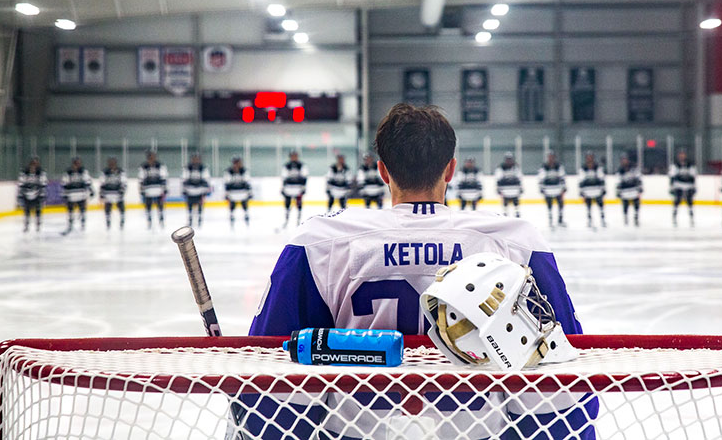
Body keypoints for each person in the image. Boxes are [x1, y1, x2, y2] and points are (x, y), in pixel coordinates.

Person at [245, 103, 595, 439]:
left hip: (353, 429)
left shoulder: (321, 241)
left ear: (382, 171)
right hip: (476, 430)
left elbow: (273, 379)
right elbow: (557, 379)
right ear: (451, 170)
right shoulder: (514, 241)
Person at [62, 156, 93, 234]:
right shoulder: (68, 172)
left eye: (78, 163)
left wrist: (91, 190)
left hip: (81, 194)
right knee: (71, 211)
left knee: (82, 210)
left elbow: (88, 182)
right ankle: (71, 224)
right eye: (76, 163)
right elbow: (64, 184)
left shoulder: (83, 171)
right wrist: (65, 194)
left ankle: (82, 225)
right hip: (71, 195)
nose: (77, 165)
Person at [138, 150, 167, 229]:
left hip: (158, 189)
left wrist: (164, 189)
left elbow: (163, 177)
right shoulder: (144, 166)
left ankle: (161, 221)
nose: (152, 158)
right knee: (148, 207)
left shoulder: (160, 165)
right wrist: (142, 190)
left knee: (160, 206)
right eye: (150, 156)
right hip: (148, 190)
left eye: (153, 156)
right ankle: (149, 221)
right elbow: (141, 179)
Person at [17, 157, 47, 232]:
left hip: (37, 194)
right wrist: (21, 194)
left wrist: (42, 194)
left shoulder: (41, 172)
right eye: (33, 164)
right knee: (27, 211)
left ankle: (38, 225)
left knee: (38, 210)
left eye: (35, 164)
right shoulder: (24, 172)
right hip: (27, 194)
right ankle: (26, 225)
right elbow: (21, 183)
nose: (34, 166)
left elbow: (43, 183)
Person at [538, 151, 566, 227]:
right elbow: (541, 178)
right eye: (550, 157)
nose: (551, 158)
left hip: (558, 189)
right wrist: (542, 188)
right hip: (548, 189)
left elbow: (562, 177)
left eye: (552, 157)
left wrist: (563, 188)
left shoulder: (559, 166)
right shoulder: (544, 166)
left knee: (560, 203)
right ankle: (550, 219)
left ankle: (560, 219)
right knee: (549, 204)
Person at [182, 153, 210, 227]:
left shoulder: (203, 168)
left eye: (197, 159)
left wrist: (204, 192)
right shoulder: (188, 168)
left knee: (200, 207)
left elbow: (206, 180)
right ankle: (190, 220)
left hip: (200, 191)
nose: (195, 160)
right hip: (190, 191)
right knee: (190, 207)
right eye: (194, 158)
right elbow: (184, 179)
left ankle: (199, 221)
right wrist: (185, 190)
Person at [669, 149, 697, 227]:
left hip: (688, 185)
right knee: (677, 201)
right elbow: (672, 176)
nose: (682, 156)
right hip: (678, 185)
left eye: (683, 154)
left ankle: (692, 219)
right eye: (680, 154)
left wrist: (694, 186)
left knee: (689, 202)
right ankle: (674, 218)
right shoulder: (675, 164)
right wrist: (671, 187)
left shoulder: (690, 164)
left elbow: (693, 176)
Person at [281, 150, 308, 227]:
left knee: (299, 205)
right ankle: (286, 221)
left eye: (295, 156)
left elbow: (304, 177)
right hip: (288, 189)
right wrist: (283, 188)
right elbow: (284, 178)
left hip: (298, 189)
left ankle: (298, 221)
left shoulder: (301, 165)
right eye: (292, 156)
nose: (294, 158)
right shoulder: (286, 166)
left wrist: (303, 188)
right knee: (287, 205)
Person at [579, 151, 606, 228]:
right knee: (588, 207)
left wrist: (603, 190)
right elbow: (581, 181)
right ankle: (590, 220)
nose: (589, 159)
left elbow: (601, 179)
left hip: (597, 190)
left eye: (591, 157)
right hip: (587, 191)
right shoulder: (583, 168)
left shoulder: (598, 168)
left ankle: (602, 220)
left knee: (601, 206)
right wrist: (582, 193)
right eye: (588, 157)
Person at [99, 157, 126, 230]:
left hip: (117, 193)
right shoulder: (105, 172)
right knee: (107, 208)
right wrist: (101, 194)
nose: (112, 164)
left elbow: (124, 182)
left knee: (121, 208)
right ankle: (108, 222)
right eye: (110, 162)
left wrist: (122, 191)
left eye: (113, 162)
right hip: (108, 193)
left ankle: (122, 221)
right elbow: (102, 183)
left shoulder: (120, 171)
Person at [616, 153, 643, 227]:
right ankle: (626, 218)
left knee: (636, 204)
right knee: (625, 205)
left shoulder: (634, 168)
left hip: (634, 190)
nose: (624, 161)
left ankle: (636, 217)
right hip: (625, 191)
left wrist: (640, 188)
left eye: (625, 159)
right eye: (623, 160)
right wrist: (618, 191)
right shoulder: (620, 170)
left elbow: (639, 178)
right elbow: (618, 182)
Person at [225, 157, 252, 228]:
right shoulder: (229, 171)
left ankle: (247, 221)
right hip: (233, 193)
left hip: (243, 192)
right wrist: (227, 194)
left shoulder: (244, 171)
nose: (237, 165)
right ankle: (232, 220)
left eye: (238, 163)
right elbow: (227, 183)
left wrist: (249, 192)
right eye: (235, 163)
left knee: (245, 206)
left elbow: (247, 183)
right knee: (232, 208)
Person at [495, 152, 523, 218]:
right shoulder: (501, 167)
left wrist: (520, 187)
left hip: (514, 188)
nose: (509, 161)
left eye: (510, 159)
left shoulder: (516, 167)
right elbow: (498, 178)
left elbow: (519, 177)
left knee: (515, 200)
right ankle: (505, 213)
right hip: (505, 188)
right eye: (507, 159)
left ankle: (517, 212)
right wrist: (498, 188)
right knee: (505, 201)